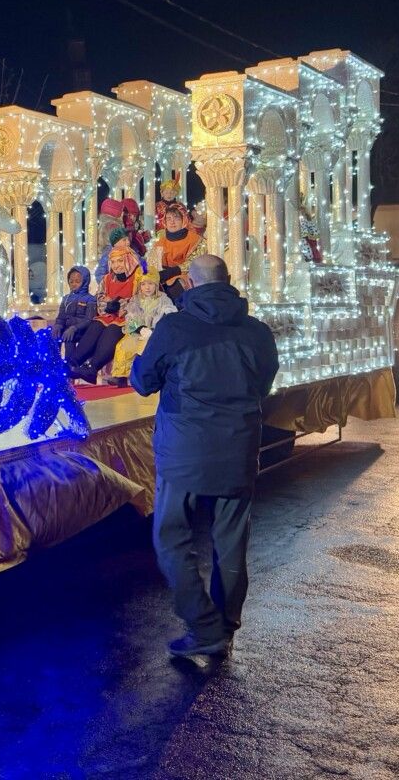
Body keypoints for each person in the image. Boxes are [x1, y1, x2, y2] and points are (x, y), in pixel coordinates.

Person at [129, 254, 280, 659]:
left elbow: (144, 382)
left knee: (171, 537)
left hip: (184, 451)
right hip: (239, 445)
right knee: (230, 542)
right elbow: (264, 385)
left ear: (191, 285)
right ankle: (225, 627)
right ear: (228, 281)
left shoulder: (174, 327)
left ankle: (204, 624)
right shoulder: (257, 333)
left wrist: (140, 363)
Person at [68, 242, 140, 383]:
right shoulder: (107, 279)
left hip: (129, 318)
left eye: (120, 261)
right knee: (96, 326)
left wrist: (119, 305)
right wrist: (107, 305)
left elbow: (140, 300)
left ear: (128, 260)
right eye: (113, 262)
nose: (116, 265)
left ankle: (93, 368)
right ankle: (73, 363)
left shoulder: (137, 278)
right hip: (108, 315)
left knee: (112, 330)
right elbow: (100, 298)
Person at [108, 271, 176, 385]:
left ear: (156, 285)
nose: (147, 287)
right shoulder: (136, 300)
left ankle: (145, 377)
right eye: (143, 284)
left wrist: (155, 329)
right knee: (124, 345)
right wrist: (140, 328)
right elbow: (130, 317)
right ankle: (121, 376)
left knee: (145, 347)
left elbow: (169, 314)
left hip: (156, 333)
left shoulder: (163, 299)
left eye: (150, 284)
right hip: (139, 331)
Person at [151, 204, 205, 303]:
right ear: (165, 222)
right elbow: (152, 264)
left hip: (187, 277)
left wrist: (173, 271)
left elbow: (194, 263)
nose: (172, 222)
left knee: (176, 284)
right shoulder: (159, 243)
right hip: (163, 278)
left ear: (183, 220)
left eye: (176, 218)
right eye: (168, 219)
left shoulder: (196, 240)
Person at [52, 265, 95, 342]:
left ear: (85, 281)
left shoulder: (90, 299)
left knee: (69, 338)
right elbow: (61, 316)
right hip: (67, 328)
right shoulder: (66, 298)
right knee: (51, 335)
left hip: (82, 330)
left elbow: (89, 320)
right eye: (71, 281)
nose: (74, 284)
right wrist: (58, 324)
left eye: (77, 281)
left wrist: (75, 328)